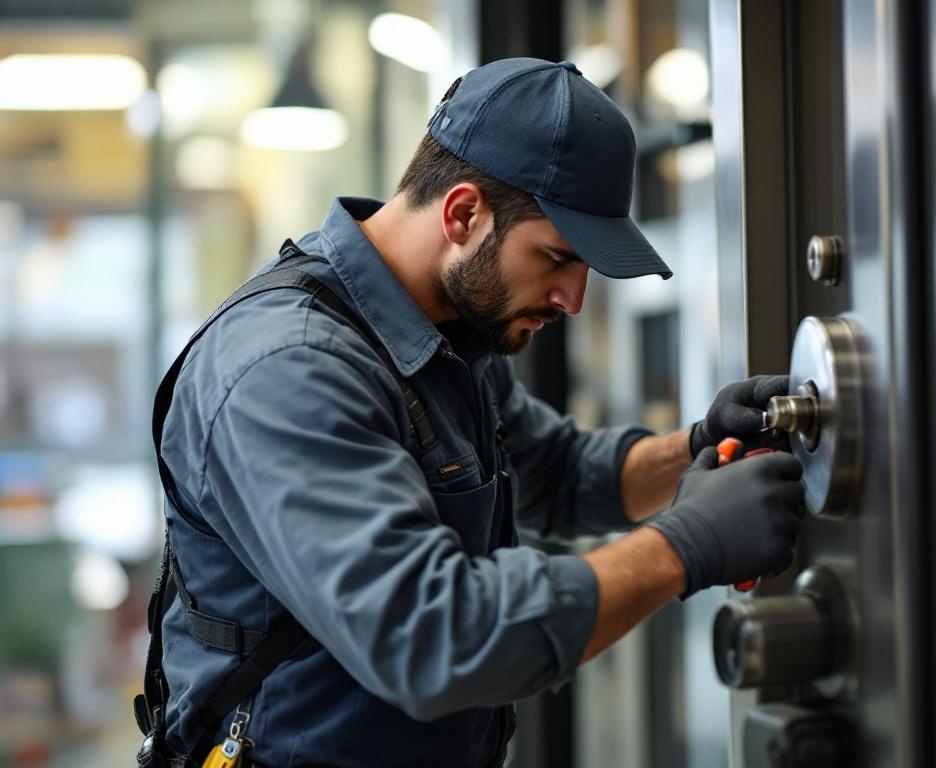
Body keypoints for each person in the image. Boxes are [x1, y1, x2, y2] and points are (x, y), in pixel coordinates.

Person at [137, 57, 803, 768]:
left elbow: (558, 470)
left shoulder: (440, 334)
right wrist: (687, 544)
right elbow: (431, 637)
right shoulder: (287, 369)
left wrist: (696, 449)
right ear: (462, 213)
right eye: (556, 258)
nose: (573, 300)